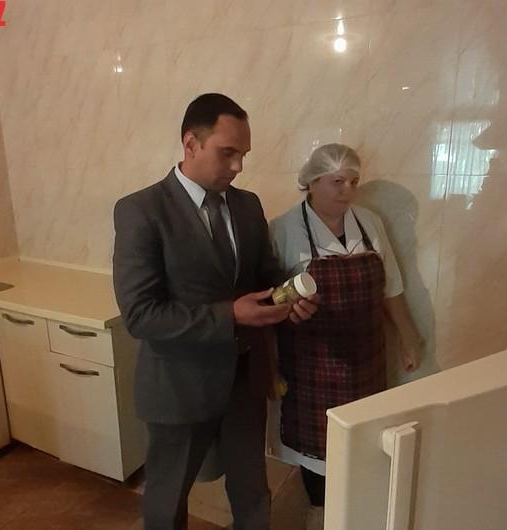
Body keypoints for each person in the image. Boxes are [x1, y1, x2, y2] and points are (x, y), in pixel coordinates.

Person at [112, 93, 318, 530]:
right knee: (167, 499)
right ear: (191, 143)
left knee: (252, 491)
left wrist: (291, 295)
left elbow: (264, 275)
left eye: (243, 154)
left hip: (243, 380)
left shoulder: (247, 205)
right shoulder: (141, 211)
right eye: (228, 153)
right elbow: (141, 315)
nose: (238, 166)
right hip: (178, 384)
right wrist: (232, 316)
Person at [269, 143, 425, 529]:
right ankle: (319, 514)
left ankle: (353, 515)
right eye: (337, 182)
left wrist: (409, 337)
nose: (347, 191)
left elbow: (392, 287)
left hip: (366, 359)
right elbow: (271, 301)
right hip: (311, 364)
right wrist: (269, 364)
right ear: (311, 182)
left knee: (363, 444)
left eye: (353, 182)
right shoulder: (284, 229)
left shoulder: (369, 223)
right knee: (317, 450)